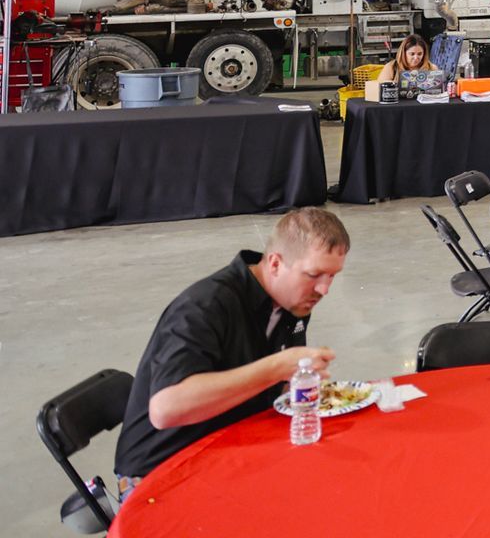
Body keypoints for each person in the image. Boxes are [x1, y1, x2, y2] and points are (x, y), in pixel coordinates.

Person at [115, 208, 348, 487]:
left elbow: (278, 389)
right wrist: (276, 368)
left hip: (229, 449)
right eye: (314, 274)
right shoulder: (205, 305)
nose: (324, 289)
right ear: (275, 264)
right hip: (162, 471)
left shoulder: (294, 303)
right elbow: (166, 409)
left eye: (332, 276)